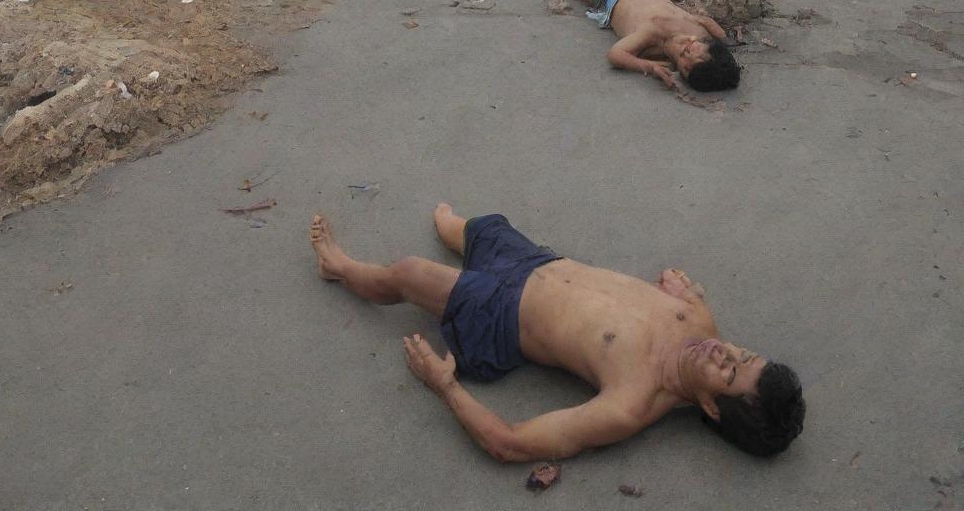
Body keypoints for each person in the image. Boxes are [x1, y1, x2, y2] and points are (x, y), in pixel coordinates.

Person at [310, 205, 803, 461]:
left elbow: (509, 443)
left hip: (501, 316)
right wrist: (681, 285)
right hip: (538, 262)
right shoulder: (702, 326)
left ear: (712, 408)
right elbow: (687, 293)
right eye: (743, 352)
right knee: (480, 225)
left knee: (410, 273)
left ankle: (341, 269)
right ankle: (464, 239)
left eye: (728, 371)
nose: (724, 350)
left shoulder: (631, 404)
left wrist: (445, 386)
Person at [547, 0, 740, 91]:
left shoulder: (653, 37)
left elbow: (615, 55)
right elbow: (706, 21)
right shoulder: (698, 31)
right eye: (694, 45)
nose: (685, 44)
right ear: (707, 43)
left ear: (682, 70)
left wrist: (648, 66)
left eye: (683, 56)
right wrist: (726, 40)